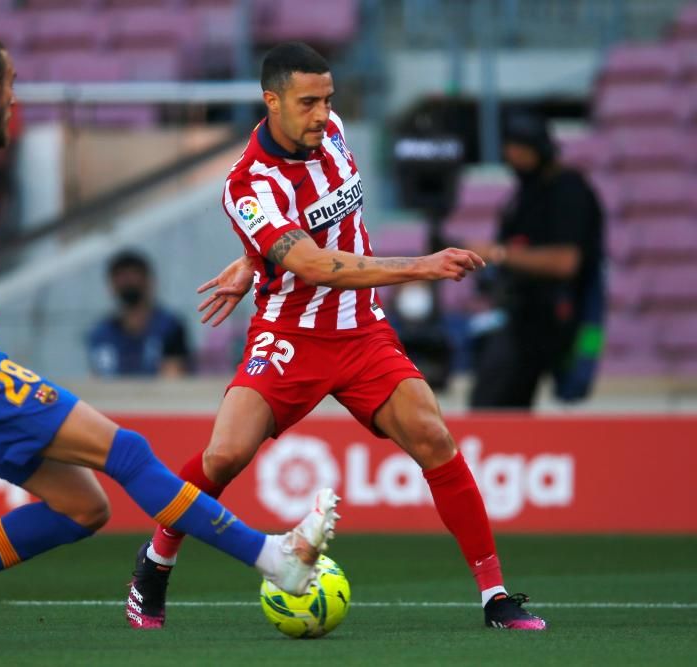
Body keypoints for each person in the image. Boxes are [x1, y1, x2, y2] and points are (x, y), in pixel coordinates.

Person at [0, 34, 339, 646]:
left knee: (84, 508)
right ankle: (277, 559)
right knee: (129, 452)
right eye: (10, 85)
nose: (15, 97)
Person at [125, 42, 546, 632]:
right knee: (224, 455)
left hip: (360, 328)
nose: (322, 113)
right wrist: (421, 265)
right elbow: (317, 264)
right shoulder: (248, 185)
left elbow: (313, 223)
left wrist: (253, 261)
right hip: (289, 333)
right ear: (271, 103)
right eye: (307, 102)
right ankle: (155, 563)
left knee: (433, 435)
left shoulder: (334, 132)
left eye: (327, 98)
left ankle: (496, 596)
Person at [467, 112, 605, 408]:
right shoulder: (523, 193)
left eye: (519, 149)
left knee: (492, 403)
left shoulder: (569, 190)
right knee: (500, 401)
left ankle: (491, 452)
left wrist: (498, 254)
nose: (511, 156)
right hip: (520, 313)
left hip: (555, 318)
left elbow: (566, 262)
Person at [87, 250, 191, 378]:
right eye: (121, 277)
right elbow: (96, 379)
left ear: (149, 281)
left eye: (133, 275)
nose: (128, 282)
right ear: (111, 285)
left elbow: (173, 377)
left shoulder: (170, 327)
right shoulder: (100, 333)